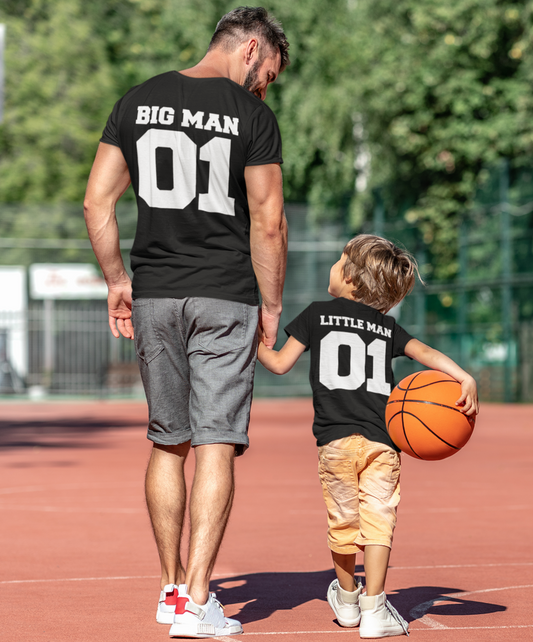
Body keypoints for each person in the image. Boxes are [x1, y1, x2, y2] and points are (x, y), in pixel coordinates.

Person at [83, 7, 289, 638]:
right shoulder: (251, 116)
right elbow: (269, 218)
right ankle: (200, 601)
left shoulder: (137, 100)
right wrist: (272, 305)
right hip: (224, 295)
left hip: (155, 295)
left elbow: (97, 200)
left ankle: (173, 590)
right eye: (270, 73)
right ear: (252, 49)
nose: (265, 87)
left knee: (167, 441)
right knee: (216, 442)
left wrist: (119, 280)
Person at [257, 234, 479, 639]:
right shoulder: (386, 326)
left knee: (342, 522)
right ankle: (374, 608)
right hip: (383, 440)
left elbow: (277, 364)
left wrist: (252, 333)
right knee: (379, 522)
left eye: (339, 260)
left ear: (352, 278)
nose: (332, 266)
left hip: (335, 440)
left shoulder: (316, 315)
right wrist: (463, 376)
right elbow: (426, 354)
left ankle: (346, 599)